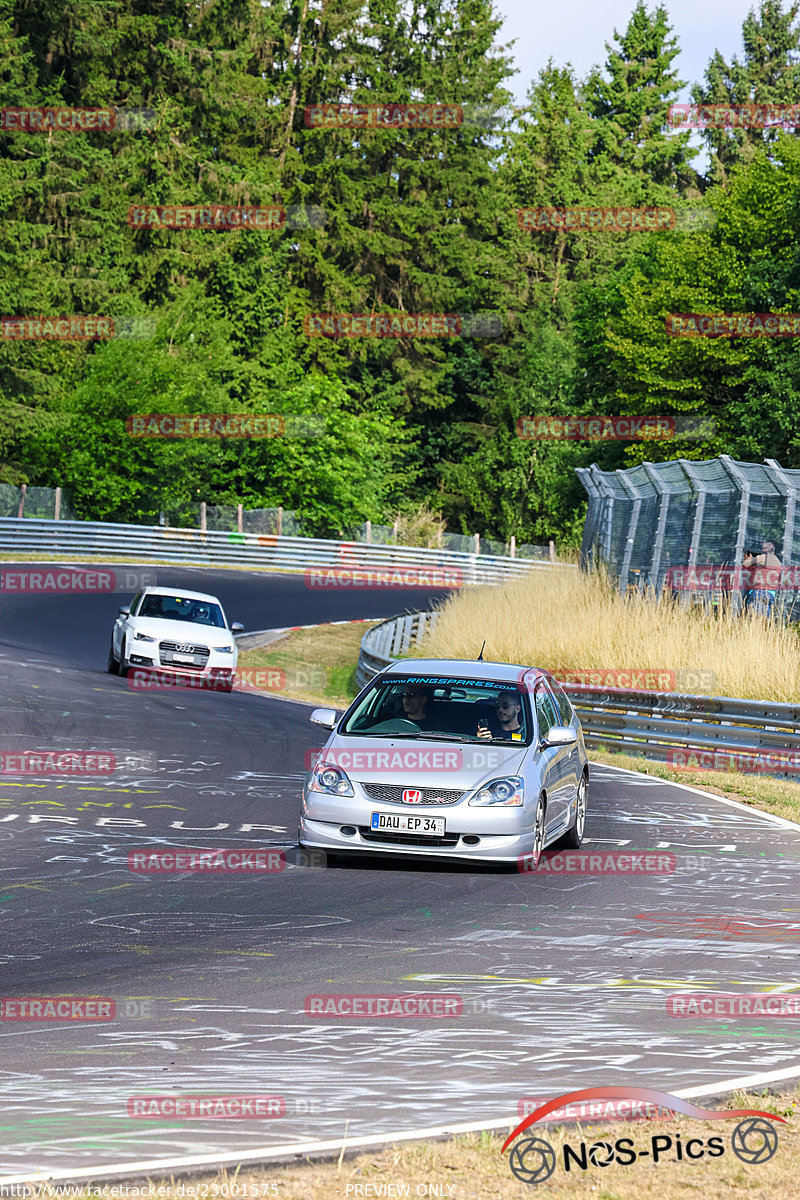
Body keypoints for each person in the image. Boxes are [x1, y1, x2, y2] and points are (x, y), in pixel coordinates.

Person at [743, 541, 781, 617]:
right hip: (771, 594)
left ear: (765, 549)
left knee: (753, 617)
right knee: (765, 618)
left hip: (758, 591)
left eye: (762, 548)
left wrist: (748, 559)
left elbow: (745, 564)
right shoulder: (778, 562)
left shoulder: (761, 558)